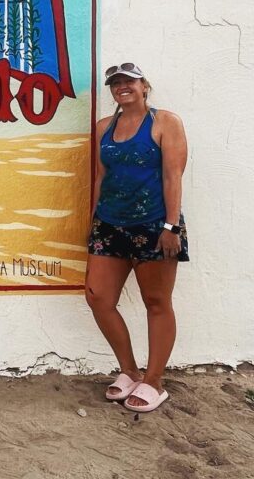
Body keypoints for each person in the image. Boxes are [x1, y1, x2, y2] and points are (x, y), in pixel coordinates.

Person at [85, 62, 188, 414]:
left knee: (156, 302)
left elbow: (173, 177)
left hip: (154, 225)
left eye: (129, 81)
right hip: (110, 224)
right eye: (115, 83)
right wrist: (93, 219)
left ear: (144, 85)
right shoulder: (103, 128)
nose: (121, 87)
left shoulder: (165, 123)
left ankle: (155, 380)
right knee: (98, 296)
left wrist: (171, 227)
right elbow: (101, 176)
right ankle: (130, 370)